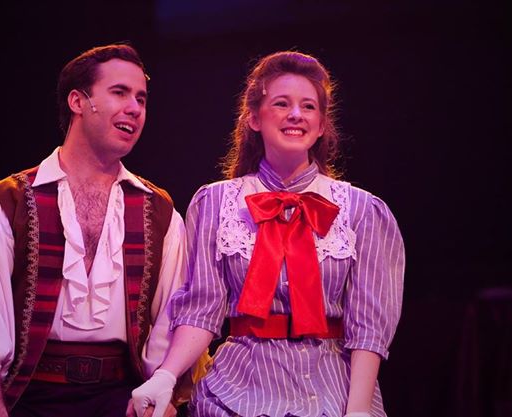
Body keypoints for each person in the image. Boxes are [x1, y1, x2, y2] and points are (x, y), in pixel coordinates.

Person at [130, 51, 405, 417]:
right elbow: (202, 308)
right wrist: (165, 376)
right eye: (281, 103)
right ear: (254, 119)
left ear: (322, 125)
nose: (295, 115)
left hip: (332, 392)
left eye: (308, 106)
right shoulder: (216, 202)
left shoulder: (363, 210)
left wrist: (357, 409)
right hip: (238, 388)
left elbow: (369, 328)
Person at [0, 44, 189, 417]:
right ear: (77, 101)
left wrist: (162, 397)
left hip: (122, 401)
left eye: (141, 98)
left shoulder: (160, 212)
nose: (135, 108)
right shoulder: (5, 204)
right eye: (119, 92)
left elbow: (172, 320)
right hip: (27, 398)